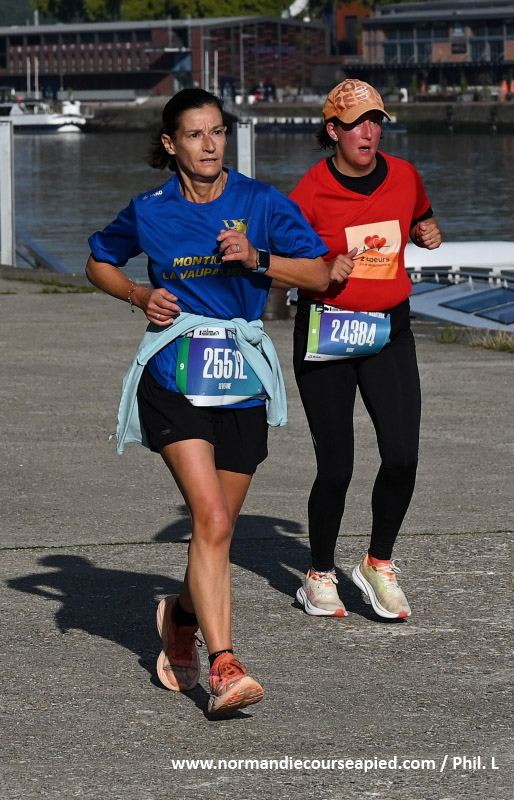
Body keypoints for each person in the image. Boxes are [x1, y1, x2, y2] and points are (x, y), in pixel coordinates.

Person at [85, 88, 328, 715]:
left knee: (214, 530)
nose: (210, 144)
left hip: (240, 379)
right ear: (171, 144)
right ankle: (225, 666)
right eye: (195, 134)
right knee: (213, 520)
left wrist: (259, 258)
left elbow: (322, 273)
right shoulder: (150, 210)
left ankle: (181, 617)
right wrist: (139, 296)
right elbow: (97, 262)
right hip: (174, 376)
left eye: (217, 131)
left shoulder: (259, 202)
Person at [290, 79, 441, 620]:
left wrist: (426, 229)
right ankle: (319, 574)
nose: (369, 131)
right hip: (327, 331)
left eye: (376, 121)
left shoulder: (405, 176)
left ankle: (378, 563)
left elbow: (420, 213)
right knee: (336, 467)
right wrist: (320, 267)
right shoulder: (309, 192)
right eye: (357, 123)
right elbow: (279, 262)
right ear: (333, 130)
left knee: (402, 456)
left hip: (388, 331)